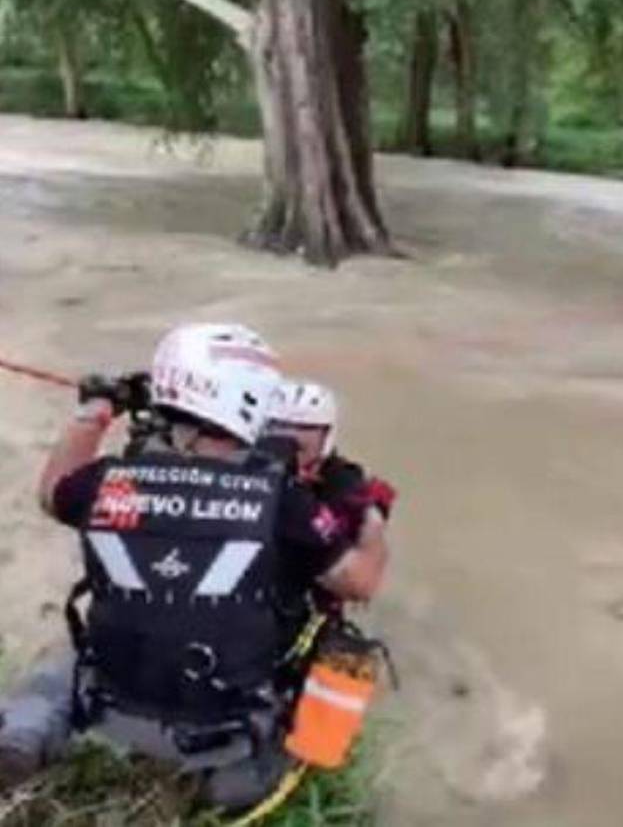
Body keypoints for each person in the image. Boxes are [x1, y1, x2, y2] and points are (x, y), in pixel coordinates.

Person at [0, 323, 389, 811]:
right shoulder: (282, 500)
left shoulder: (110, 481)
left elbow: (52, 491)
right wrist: (371, 513)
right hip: (224, 732)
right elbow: (362, 582)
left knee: (64, 667)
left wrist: (97, 410)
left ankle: (26, 733)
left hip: (111, 705)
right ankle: (215, 788)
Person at [261, 379, 396, 613]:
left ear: (326, 435)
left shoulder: (342, 483)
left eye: (305, 426)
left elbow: (362, 583)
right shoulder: (252, 473)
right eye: (280, 424)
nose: (291, 435)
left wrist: (372, 517)